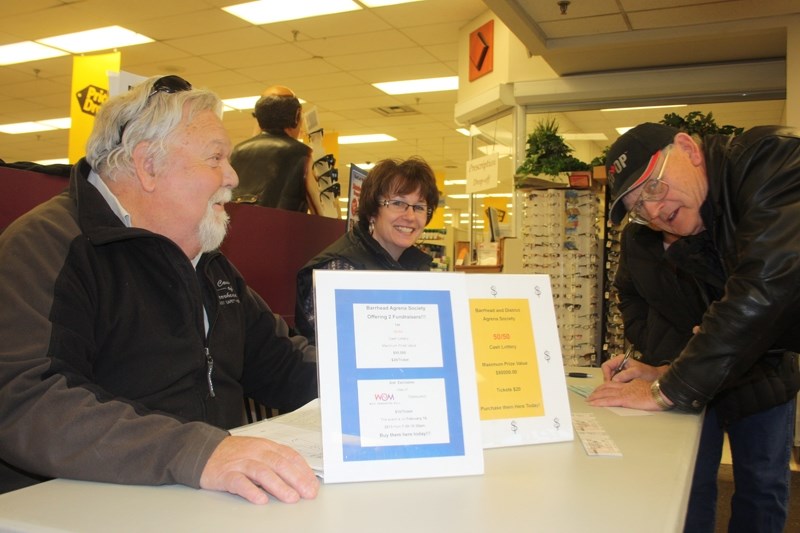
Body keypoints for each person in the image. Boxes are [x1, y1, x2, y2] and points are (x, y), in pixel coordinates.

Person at [0, 75, 320, 505]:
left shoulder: (205, 262)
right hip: (81, 506)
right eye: (215, 158)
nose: (232, 175)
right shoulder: (47, 247)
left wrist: (380, 378)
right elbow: (26, 400)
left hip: (203, 501)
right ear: (148, 165)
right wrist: (197, 451)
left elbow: (284, 363)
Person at [589, 123, 800, 532]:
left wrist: (668, 386)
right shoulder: (693, 221)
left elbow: (764, 288)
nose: (652, 210)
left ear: (688, 148)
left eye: (653, 186)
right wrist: (665, 366)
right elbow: (668, 307)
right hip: (707, 371)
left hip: (763, 376)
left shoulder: (768, 160)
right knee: (690, 486)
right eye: (637, 206)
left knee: (763, 486)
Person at [295, 157, 440, 343]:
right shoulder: (339, 269)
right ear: (372, 210)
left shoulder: (415, 267)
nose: (410, 216)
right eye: (397, 203)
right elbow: (337, 350)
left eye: (419, 207)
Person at [230, 85, 322, 214]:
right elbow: (321, 211)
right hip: (283, 232)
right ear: (297, 116)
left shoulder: (236, 152)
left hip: (238, 230)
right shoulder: (303, 154)